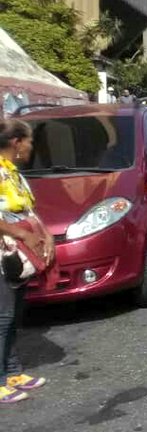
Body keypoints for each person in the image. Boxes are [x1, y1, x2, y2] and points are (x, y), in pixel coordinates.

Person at [0, 119, 54, 404]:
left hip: (20, 251)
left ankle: (12, 372)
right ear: (17, 143)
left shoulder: (14, 174)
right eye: (30, 141)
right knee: (3, 316)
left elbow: (28, 209)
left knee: (14, 314)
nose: (32, 146)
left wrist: (45, 235)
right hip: (4, 251)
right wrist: (20, 232)